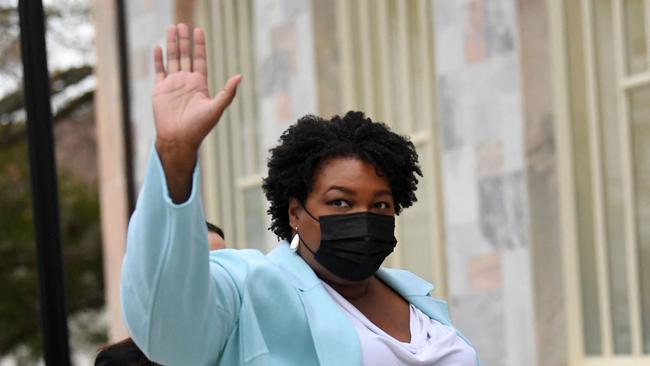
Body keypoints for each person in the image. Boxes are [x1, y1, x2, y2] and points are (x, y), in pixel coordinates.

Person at [121, 23, 479, 365]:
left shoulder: (416, 298)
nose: (363, 216)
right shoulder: (251, 287)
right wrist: (175, 154)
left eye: (380, 204)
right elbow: (171, 328)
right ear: (295, 213)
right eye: (340, 201)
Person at [95, 222, 225, 366]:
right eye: (204, 265)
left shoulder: (241, 344)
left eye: (226, 261)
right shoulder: (120, 361)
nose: (218, 275)